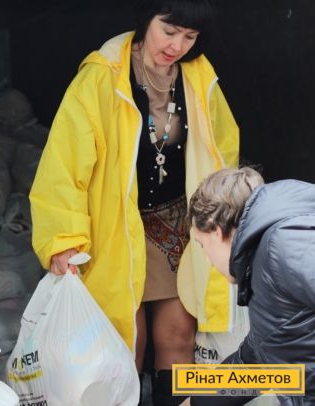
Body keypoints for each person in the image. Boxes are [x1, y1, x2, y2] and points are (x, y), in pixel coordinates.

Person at [29, 0, 239, 404]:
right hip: (116, 225)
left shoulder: (198, 75)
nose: (177, 46)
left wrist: (224, 217)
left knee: (179, 336)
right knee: (125, 341)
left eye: (189, 37)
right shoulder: (102, 75)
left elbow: (222, 148)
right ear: (146, 21)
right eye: (169, 31)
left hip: (177, 226)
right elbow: (64, 163)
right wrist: (63, 239)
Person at [184, 167, 315, 405]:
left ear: (216, 230)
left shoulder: (281, 245)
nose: (208, 260)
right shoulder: (264, 258)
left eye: (202, 246)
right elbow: (253, 362)